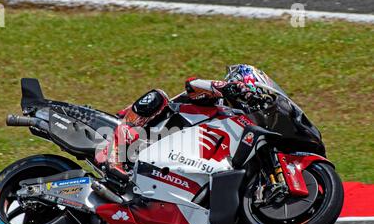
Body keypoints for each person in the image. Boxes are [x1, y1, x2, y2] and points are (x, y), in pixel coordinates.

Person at [96, 64, 273, 180]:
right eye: (249, 88)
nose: (251, 96)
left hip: (163, 153)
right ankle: (115, 159)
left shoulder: (235, 118)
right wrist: (225, 87)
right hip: (143, 126)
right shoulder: (217, 98)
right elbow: (192, 84)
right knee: (158, 96)